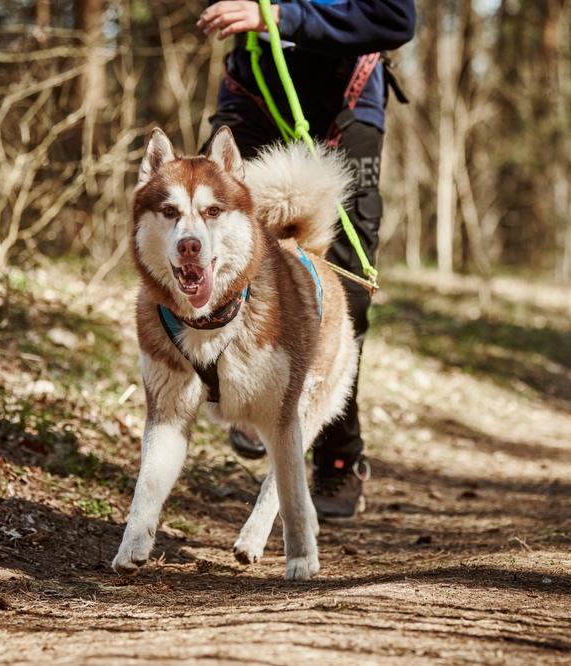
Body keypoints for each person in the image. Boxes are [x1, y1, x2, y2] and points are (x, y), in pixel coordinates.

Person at [197, 0, 416, 519]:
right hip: (252, 97)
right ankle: (245, 397)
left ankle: (339, 459)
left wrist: (278, 14)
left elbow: (394, 19)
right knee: (214, 236)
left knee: (346, 290)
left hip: (346, 106)